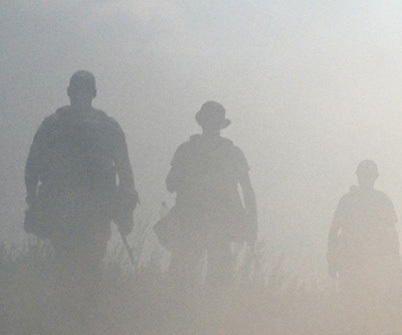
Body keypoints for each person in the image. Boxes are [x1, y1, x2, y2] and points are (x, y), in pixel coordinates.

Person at [24, 70, 137, 289]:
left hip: (64, 207)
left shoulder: (53, 124)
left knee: (66, 263)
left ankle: (70, 315)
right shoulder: (108, 126)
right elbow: (125, 173)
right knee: (90, 264)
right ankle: (85, 315)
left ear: (68, 92)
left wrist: (33, 201)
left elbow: (33, 166)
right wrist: (125, 211)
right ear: (94, 93)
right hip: (93, 210)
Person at [157, 101, 257, 287]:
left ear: (202, 123)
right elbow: (248, 191)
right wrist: (251, 224)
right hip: (220, 223)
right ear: (220, 125)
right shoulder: (232, 153)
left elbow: (170, 184)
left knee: (180, 280)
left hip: (191, 222)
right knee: (218, 283)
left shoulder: (186, 150)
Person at [326, 159, 399, 292]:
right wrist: (332, 261)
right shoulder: (381, 200)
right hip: (355, 264)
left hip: (370, 265)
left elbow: (392, 236)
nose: (366, 179)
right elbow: (333, 233)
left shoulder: (350, 200)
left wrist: (332, 261)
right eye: (364, 175)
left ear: (374, 177)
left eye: (368, 175)